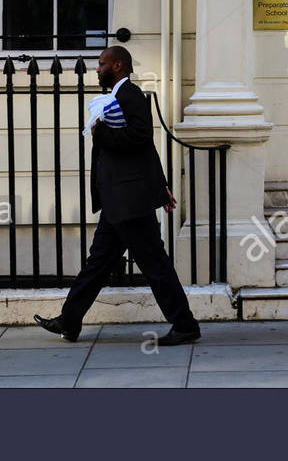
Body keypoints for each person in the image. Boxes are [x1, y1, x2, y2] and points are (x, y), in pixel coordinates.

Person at [34, 46, 202, 346]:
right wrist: (160, 184)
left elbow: (141, 138)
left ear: (118, 65)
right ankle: (69, 321)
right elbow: (145, 150)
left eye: (102, 64)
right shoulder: (117, 97)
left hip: (130, 201)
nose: (97, 69)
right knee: (98, 263)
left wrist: (101, 133)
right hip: (119, 200)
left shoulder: (131, 96)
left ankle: (185, 325)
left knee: (154, 264)